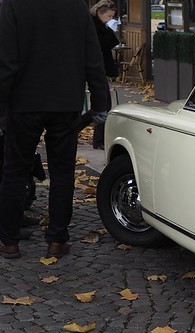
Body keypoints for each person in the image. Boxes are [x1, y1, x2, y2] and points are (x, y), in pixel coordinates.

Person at [0, 0, 109, 259]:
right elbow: (93, 58)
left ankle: (9, 240)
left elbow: (6, 63)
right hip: (65, 102)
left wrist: (1, 109)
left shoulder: (13, 6)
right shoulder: (76, 6)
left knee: (14, 171)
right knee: (63, 173)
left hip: (24, 102)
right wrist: (99, 102)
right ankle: (57, 239)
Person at [79, 0, 119, 150]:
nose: (110, 18)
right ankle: (96, 138)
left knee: (104, 103)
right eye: (108, 15)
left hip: (97, 68)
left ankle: (96, 137)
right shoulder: (95, 28)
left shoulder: (99, 26)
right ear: (99, 13)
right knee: (103, 103)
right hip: (95, 68)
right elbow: (103, 46)